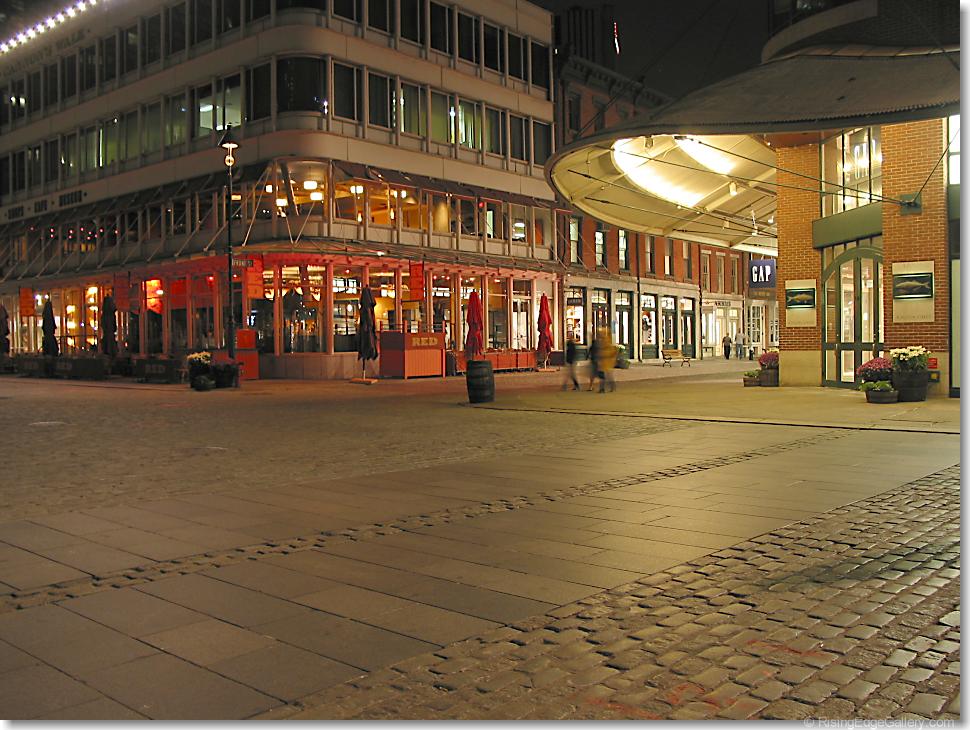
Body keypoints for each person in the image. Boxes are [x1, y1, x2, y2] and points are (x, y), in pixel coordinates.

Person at [594, 328, 617, 393]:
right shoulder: (601, 342)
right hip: (603, 362)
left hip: (606, 362)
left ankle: (610, 387)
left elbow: (611, 352)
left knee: (607, 375)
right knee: (604, 376)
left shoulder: (606, 342)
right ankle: (605, 388)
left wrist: (602, 355)